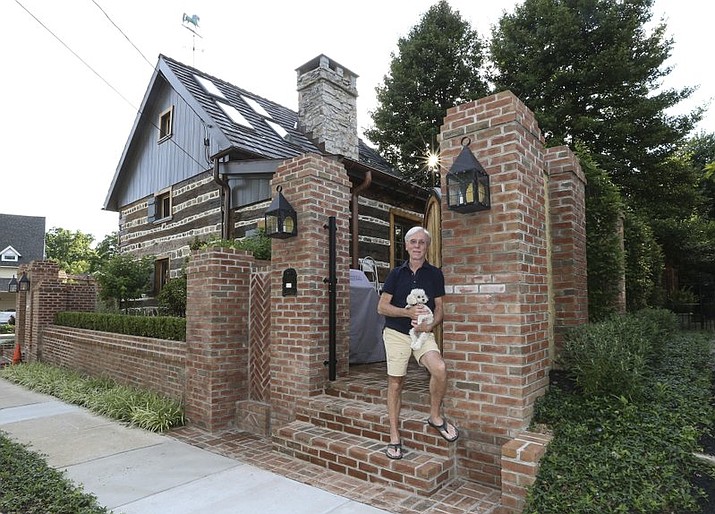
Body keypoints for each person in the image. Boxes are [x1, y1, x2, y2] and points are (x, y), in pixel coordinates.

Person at [377, 226, 458, 460]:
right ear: (407, 245)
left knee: (440, 369)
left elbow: (440, 309)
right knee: (395, 383)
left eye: (422, 242)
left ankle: (435, 416)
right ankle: (394, 435)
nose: (417, 246)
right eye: (413, 242)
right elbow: (381, 307)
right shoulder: (396, 274)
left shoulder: (435, 274)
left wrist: (429, 326)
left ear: (427, 246)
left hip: (423, 333)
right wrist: (407, 312)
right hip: (396, 334)